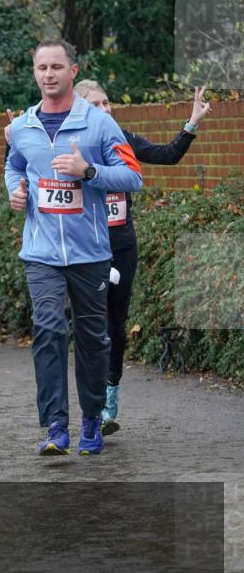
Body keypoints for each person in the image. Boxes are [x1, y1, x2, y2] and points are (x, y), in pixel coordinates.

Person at [4, 40, 143, 456]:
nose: (48, 74)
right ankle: (56, 426)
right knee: (48, 330)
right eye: (41, 67)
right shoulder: (22, 127)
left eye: (57, 67)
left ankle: (91, 419)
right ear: (34, 72)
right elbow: (14, 167)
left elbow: (132, 176)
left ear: (73, 71)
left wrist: (90, 171)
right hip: (41, 253)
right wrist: (16, 191)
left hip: (91, 254)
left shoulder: (98, 124)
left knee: (93, 338)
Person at [72, 81, 212, 434]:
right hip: (85, 247)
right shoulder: (73, 146)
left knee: (115, 324)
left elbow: (168, 155)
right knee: (91, 324)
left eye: (107, 102)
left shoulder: (123, 140)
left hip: (121, 246)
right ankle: (92, 402)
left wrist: (192, 121)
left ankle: (109, 396)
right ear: (80, 109)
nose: (106, 110)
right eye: (96, 105)